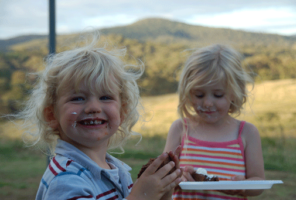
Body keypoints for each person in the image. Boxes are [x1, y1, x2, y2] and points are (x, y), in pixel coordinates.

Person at [15, 34, 182, 200]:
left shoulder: (114, 168)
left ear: (122, 112)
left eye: (105, 97)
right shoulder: (66, 179)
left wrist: (162, 191)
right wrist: (141, 196)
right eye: (77, 98)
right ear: (51, 115)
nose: (93, 108)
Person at [163, 44, 265, 200]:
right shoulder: (180, 129)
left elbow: (259, 184)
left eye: (218, 95)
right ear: (187, 91)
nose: (207, 103)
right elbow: (162, 177)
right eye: (199, 95)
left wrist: (243, 186)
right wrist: (178, 177)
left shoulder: (247, 133)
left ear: (235, 92)